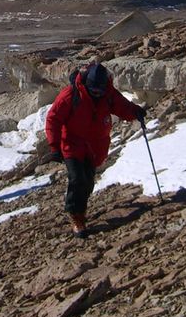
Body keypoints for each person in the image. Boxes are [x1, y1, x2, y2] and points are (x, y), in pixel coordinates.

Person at [45, 61, 145, 238]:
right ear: (86, 84)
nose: (97, 94)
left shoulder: (108, 93)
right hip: (72, 144)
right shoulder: (70, 95)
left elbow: (121, 106)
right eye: (94, 90)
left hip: (95, 146)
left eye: (99, 90)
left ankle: (80, 209)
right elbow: (53, 119)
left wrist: (135, 112)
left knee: (88, 181)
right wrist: (54, 146)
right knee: (77, 179)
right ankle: (77, 217)